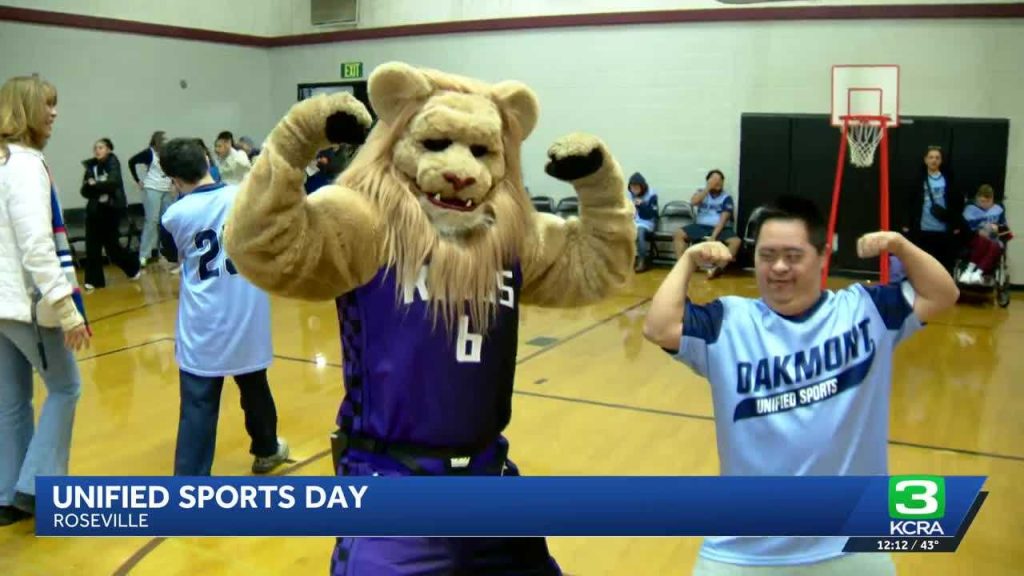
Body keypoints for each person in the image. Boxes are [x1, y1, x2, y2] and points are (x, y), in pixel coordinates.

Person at [644, 195, 959, 576]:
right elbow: (659, 327)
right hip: (744, 548)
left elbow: (942, 294)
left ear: (823, 256)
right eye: (766, 255)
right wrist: (689, 259)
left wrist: (900, 246)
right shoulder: (729, 322)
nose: (778, 267)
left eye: (793, 256)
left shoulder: (866, 311)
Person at [159, 138, 288, 476]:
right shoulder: (245, 197)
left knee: (199, 402)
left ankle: (190, 484)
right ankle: (267, 449)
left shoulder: (174, 214)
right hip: (247, 312)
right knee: (255, 387)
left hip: (204, 321)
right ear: (206, 161)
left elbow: (172, 255)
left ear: (173, 180)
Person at [0, 75, 91, 526]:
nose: (54, 113)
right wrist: (68, 309)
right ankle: (36, 487)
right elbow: (37, 246)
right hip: (23, 305)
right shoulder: (23, 164)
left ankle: (5, 496)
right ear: (24, 111)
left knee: (11, 399)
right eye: (47, 105)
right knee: (66, 388)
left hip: (2, 305)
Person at [79, 138, 141, 290]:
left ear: (108, 149)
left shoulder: (113, 163)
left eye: (101, 147)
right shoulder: (91, 166)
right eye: (95, 148)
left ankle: (132, 267)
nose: (97, 150)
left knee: (112, 248)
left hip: (111, 210)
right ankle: (94, 281)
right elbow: (85, 190)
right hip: (94, 210)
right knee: (92, 246)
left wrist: (96, 185)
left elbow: (113, 183)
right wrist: (95, 186)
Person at [902, 146, 964, 272]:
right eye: (931, 157)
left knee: (943, 265)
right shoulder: (918, 180)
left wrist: (956, 223)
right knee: (923, 264)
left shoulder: (948, 180)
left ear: (941, 161)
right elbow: (910, 202)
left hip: (943, 229)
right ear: (925, 160)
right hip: (923, 228)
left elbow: (957, 203)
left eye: (937, 158)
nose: (934, 160)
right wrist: (907, 222)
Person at [673, 169, 740, 278]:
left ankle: (717, 269)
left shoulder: (727, 198)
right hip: (700, 226)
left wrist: (713, 236)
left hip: (720, 228)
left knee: (736, 242)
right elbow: (693, 202)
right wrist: (708, 189)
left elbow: (723, 219)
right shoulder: (701, 192)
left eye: (719, 180)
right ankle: (683, 265)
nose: (717, 182)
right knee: (678, 233)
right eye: (714, 179)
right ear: (708, 181)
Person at [129, 130, 173, 267]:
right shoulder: (149, 153)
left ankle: (164, 252)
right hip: (152, 189)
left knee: (165, 222)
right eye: (162, 140)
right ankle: (144, 255)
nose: (165, 143)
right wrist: (138, 180)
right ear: (156, 141)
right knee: (152, 221)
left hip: (166, 189)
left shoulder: (168, 154)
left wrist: (174, 182)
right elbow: (132, 161)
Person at [960, 184, 1011, 284]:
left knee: (995, 246)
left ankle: (978, 273)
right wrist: (978, 231)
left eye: (988, 202)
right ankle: (969, 270)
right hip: (974, 238)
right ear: (977, 199)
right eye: (982, 201)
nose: (985, 204)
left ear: (992, 199)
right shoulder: (970, 209)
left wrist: (997, 228)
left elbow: (1005, 230)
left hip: (993, 238)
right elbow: (964, 228)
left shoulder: (998, 209)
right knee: (983, 240)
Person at [628, 172, 658, 272]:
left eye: (636, 187)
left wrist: (642, 205)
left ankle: (642, 261)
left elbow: (651, 214)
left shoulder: (652, 195)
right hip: (632, 221)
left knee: (639, 231)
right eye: (632, 187)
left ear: (642, 187)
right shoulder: (629, 195)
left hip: (647, 223)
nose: (634, 189)